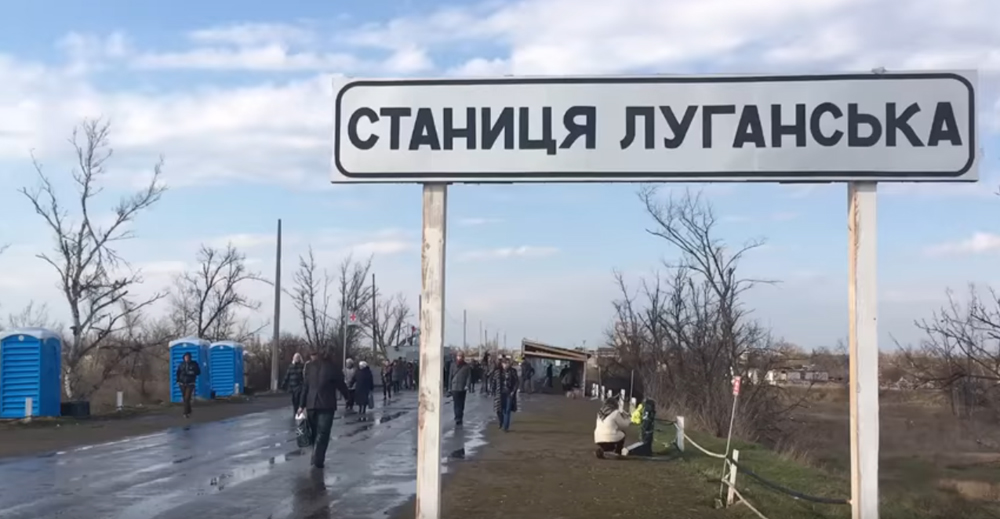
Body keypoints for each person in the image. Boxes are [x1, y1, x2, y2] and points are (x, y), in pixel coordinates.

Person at [299, 350, 350, 469]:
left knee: (314, 432)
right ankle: (318, 459)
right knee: (323, 433)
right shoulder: (332, 368)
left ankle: (314, 454)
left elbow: (305, 387)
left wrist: (301, 405)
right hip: (326, 404)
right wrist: (348, 397)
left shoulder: (310, 367)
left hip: (311, 404)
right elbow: (341, 384)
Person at [493, 358, 519, 432]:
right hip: (499, 393)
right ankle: (501, 422)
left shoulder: (513, 371)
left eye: (507, 363)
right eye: (504, 363)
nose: (506, 365)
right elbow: (494, 381)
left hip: (509, 393)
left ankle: (505, 427)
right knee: (499, 410)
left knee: (507, 410)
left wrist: (513, 391)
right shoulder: (498, 372)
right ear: (502, 364)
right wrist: (493, 390)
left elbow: (517, 382)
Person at [175, 352, 201, 418]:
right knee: (185, 398)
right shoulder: (181, 365)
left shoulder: (194, 364)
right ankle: (189, 410)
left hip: (190, 383)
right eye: (185, 357)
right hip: (182, 383)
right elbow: (178, 372)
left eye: (188, 357)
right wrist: (178, 380)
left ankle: (185, 413)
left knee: (187, 398)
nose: (187, 358)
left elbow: (198, 372)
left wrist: (191, 372)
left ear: (190, 358)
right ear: (184, 358)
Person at [449, 353, 472, 426]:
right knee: (456, 403)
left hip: (462, 387)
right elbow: (450, 376)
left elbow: (469, 376)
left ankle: (460, 416)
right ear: (456, 357)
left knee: (461, 403)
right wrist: (449, 387)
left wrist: (467, 385)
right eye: (458, 356)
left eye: (461, 356)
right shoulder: (453, 365)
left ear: (463, 357)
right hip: (454, 387)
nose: (459, 358)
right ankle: (457, 418)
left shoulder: (466, 366)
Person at [281, 353, 306, 417]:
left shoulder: (302, 366)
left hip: (299, 386)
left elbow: (304, 375)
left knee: (299, 399)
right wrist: (283, 384)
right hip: (292, 386)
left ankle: (299, 412)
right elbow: (287, 375)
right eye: (295, 358)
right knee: (294, 400)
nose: (296, 359)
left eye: (297, 358)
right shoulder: (291, 366)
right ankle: (295, 412)